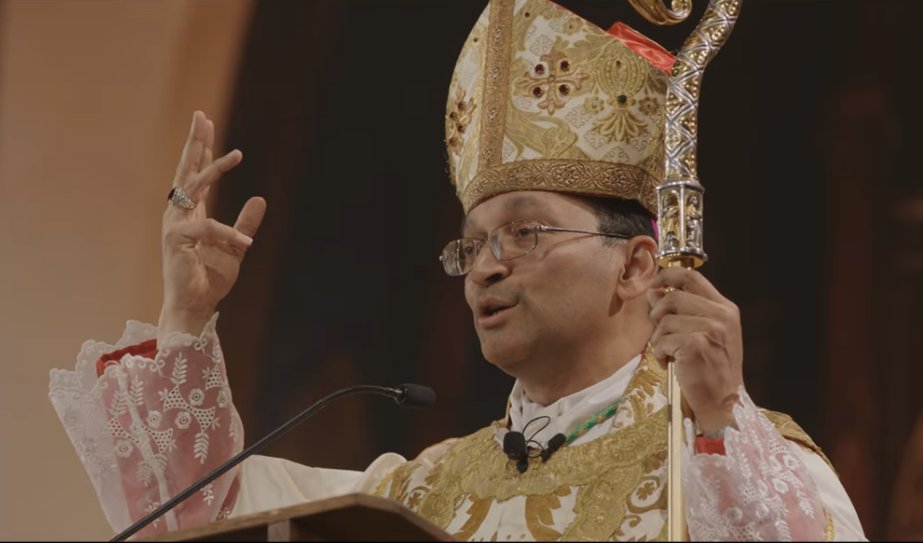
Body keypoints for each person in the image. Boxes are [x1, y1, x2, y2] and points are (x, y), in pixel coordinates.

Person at [49, 0, 866, 540]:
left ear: (638, 265)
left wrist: (719, 415)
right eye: (471, 244)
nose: (486, 268)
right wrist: (187, 322)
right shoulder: (418, 493)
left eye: (525, 232)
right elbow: (203, 515)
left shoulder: (736, 463)